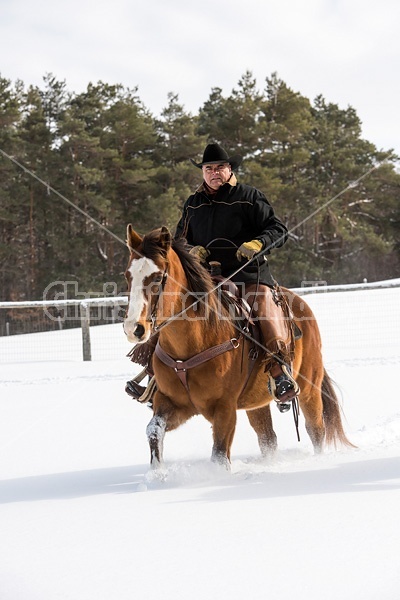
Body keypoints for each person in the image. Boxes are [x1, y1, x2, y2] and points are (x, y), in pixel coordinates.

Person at [126, 142, 299, 412]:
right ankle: (155, 376)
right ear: (203, 172)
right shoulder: (193, 204)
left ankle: (280, 373)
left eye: (219, 167)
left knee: (263, 308)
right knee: (168, 311)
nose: (214, 172)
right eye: (209, 168)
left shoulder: (249, 196)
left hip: (249, 274)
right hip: (205, 278)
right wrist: (192, 249)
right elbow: (178, 242)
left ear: (230, 170)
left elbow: (278, 229)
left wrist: (256, 244)